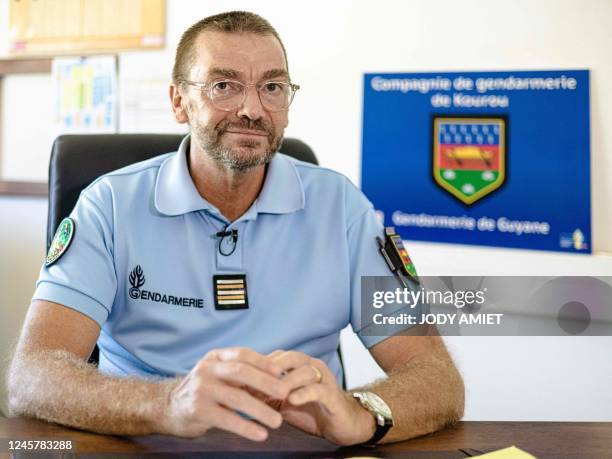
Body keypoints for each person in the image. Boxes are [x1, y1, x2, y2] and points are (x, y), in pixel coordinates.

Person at [8, 11, 464, 445]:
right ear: (178, 102)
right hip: (145, 443)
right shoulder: (108, 205)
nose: (252, 108)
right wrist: (167, 404)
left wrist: (360, 413)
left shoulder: (342, 207)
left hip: (299, 447)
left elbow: (437, 378)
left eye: (273, 86)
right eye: (224, 86)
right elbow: (32, 377)